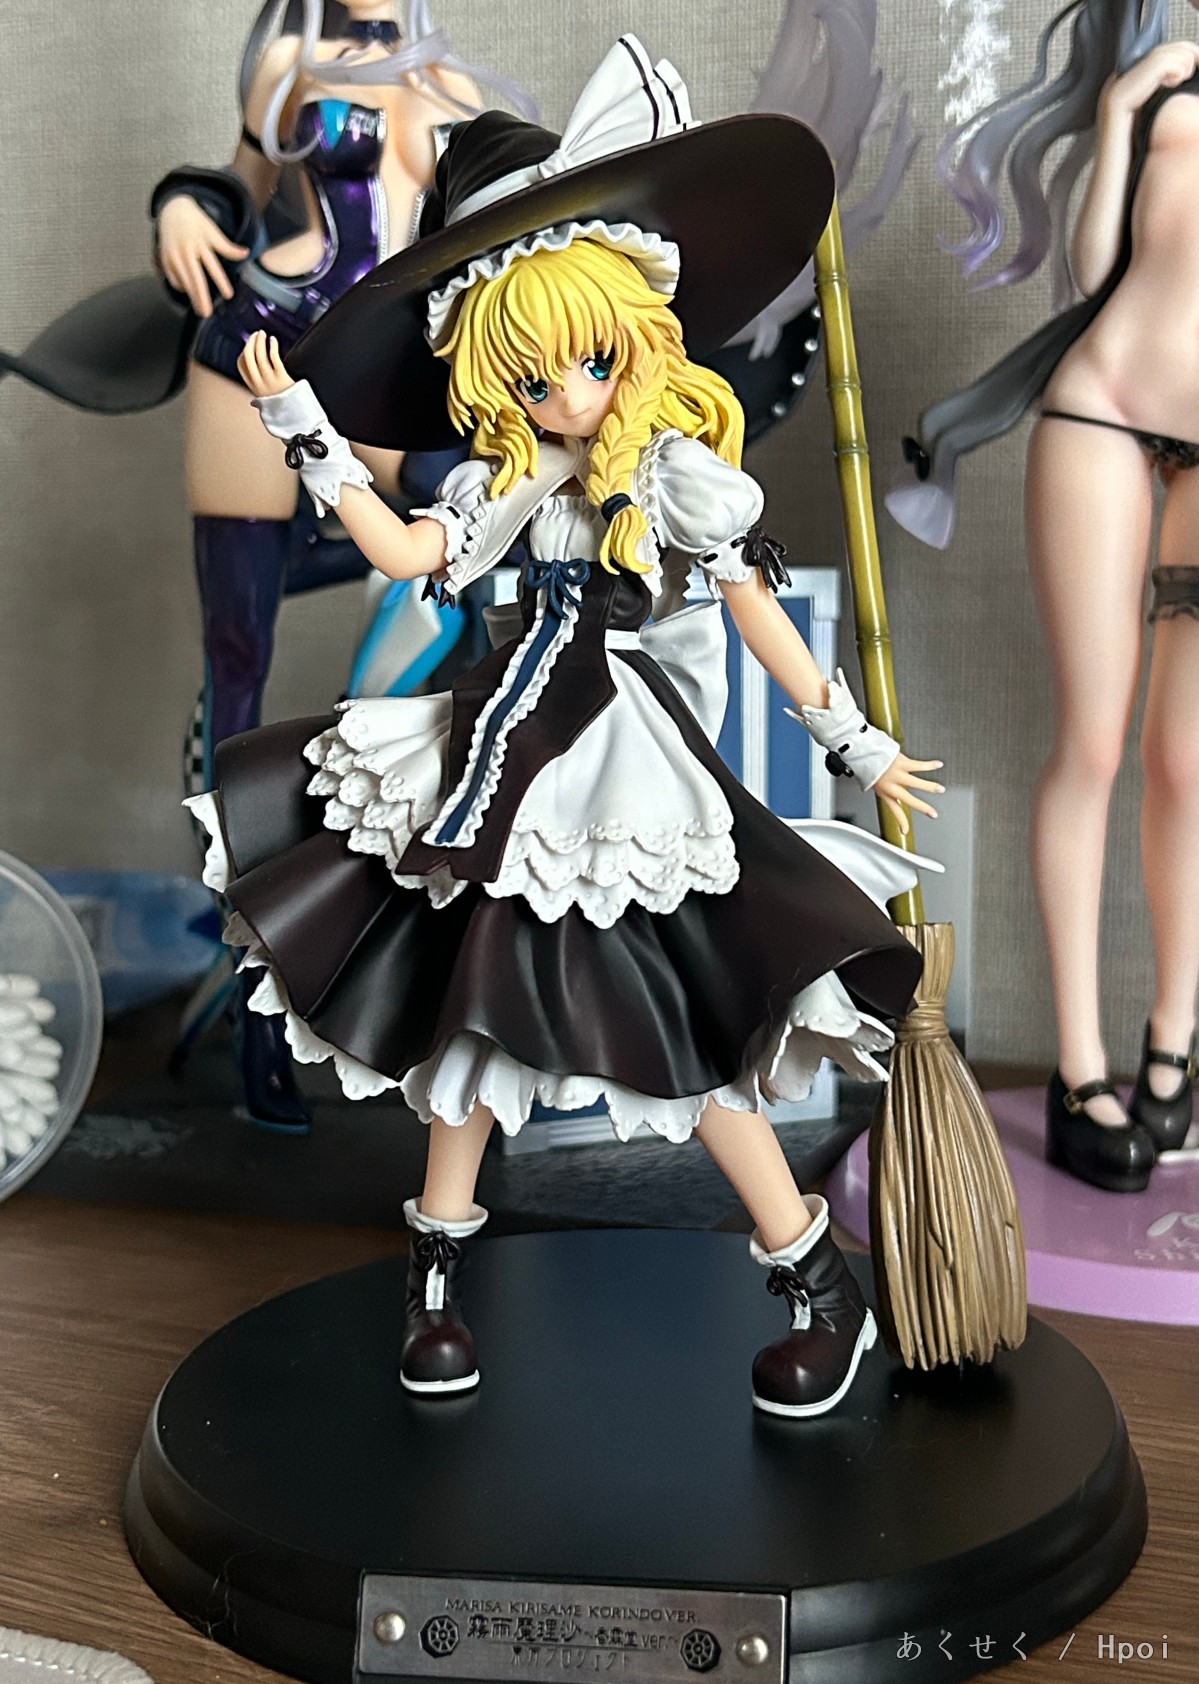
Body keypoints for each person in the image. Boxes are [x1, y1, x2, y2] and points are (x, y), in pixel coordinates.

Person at [188, 36, 943, 1416]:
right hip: (490, 758)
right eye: (534, 380)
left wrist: (849, 741)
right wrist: (303, 429)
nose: (568, 396)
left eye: (588, 362)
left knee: (689, 1033)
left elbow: (753, 613)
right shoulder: (502, 485)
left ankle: (813, 1281)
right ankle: (434, 1280)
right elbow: (405, 552)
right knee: (465, 1027)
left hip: (621, 772)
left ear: (633, 337)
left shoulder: (673, 477)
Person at [888, 0, 1199, 1191]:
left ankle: (1171, 1045)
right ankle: (1078, 1071)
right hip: (1101, 412)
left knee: (1186, 762)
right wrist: (1118, 112)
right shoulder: (1165, 85)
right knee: (1091, 742)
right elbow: (1089, 272)